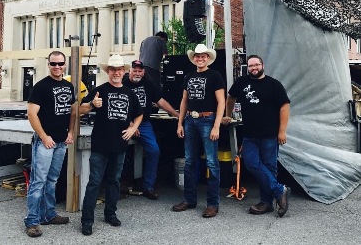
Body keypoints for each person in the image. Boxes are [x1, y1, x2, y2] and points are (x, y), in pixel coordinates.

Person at [80, 54, 143, 236]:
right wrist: (92, 104)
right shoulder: (100, 90)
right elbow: (80, 109)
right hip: (100, 143)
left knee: (114, 180)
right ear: (108, 71)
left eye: (119, 69)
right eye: (113, 69)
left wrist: (133, 129)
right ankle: (87, 221)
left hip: (120, 144)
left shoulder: (130, 93)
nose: (116, 72)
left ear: (124, 72)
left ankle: (110, 213)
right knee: (94, 182)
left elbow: (139, 114)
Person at [223, 54, 291, 217]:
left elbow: (285, 106)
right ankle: (279, 190)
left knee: (269, 167)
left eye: (256, 65)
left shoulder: (274, 85)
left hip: (270, 135)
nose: (254, 68)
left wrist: (282, 131)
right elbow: (230, 96)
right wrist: (228, 114)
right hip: (249, 135)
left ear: (263, 65)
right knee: (252, 163)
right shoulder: (241, 82)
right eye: (251, 66)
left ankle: (266, 203)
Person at [24, 51, 77, 238]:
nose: (57, 67)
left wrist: (70, 132)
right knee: (38, 181)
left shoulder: (69, 86)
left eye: (60, 63)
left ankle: (49, 214)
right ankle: (32, 221)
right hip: (45, 142)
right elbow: (31, 113)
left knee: (52, 181)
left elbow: (72, 112)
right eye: (53, 64)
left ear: (65, 64)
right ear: (48, 64)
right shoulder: (41, 87)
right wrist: (44, 136)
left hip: (61, 142)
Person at [172, 44, 225, 218]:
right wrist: (180, 123)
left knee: (211, 162)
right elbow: (183, 101)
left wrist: (216, 125)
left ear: (208, 58)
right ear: (193, 58)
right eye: (197, 56)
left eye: (203, 56)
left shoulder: (215, 76)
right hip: (190, 120)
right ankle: (189, 199)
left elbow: (221, 103)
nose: (200, 59)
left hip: (208, 120)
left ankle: (212, 203)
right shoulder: (188, 76)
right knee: (189, 162)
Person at [123, 60, 179, 199]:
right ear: (129, 71)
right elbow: (119, 107)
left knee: (154, 151)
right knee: (117, 151)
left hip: (143, 123)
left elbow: (160, 102)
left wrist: (178, 115)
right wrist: (130, 124)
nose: (137, 73)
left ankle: (148, 186)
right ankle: (119, 184)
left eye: (139, 71)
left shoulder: (148, 84)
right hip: (124, 123)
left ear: (143, 72)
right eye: (134, 70)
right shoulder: (122, 84)